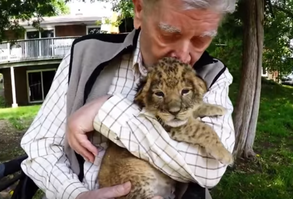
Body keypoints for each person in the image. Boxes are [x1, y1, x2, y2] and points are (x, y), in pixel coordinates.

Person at [20, 0, 237, 198]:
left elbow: (211, 168)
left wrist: (105, 111)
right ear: (140, 9)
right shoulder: (84, 54)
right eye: (168, 34)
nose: (182, 55)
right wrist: (74, 194)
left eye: (201, 40)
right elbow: (39, 148)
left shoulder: (213, 75)